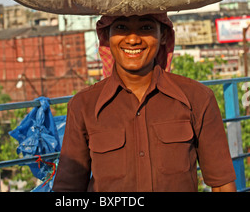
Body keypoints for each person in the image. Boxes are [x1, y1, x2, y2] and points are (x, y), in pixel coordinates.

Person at [52, 13, 237, 192]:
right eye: (121, 27)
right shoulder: (84, 105)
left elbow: (221, 183)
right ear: (106, 37)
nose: (133, 39)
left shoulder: (197, 98)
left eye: (146, 28)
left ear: (163, 36)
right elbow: (68, 187)